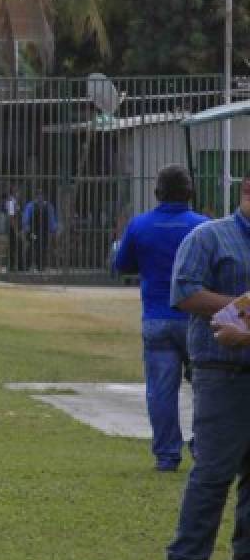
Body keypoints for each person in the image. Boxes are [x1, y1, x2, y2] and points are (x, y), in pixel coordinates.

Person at [161, 173, 250, 560]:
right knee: (214, 472)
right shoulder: (209, 237)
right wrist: (242, 306)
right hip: (222, 372)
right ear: (246, 191)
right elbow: (185, 293)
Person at [113, 165, 207, 472]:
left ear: (157, 193)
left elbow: (122, 265)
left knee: (161, 390)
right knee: (205, 386)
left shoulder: (139, 225)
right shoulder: (204, 227)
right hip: (194, 317)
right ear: (190, 193)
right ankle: (201, 444)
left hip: (156, 315)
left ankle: (167, 454)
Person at [22, 189, 58, 272]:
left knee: (43, 248)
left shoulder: (48, 206)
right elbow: (26, 218)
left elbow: (52, 219)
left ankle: (40, 266)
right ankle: (28, 265)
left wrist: (53, 230)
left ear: (44, 196)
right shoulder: (31, 205)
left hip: (44, 232)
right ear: (36, 196)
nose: (40, 197)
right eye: (38, 195)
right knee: (32, 246)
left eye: (41, 195)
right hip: (33, 232)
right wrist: (26, 228)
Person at [5, 185, 23, 273]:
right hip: (13, 227)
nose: (19, 194)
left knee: (16, 246)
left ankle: (16, 266)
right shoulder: (11, 201)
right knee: (14, 246)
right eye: (18, 192)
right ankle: (12, 266)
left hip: (16, 226)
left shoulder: (15, 201)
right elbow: (11, 217)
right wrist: (16, 230)